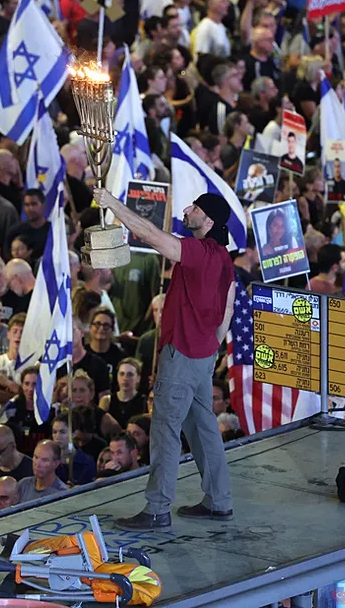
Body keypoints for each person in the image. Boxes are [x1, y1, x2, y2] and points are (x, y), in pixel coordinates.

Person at [93, 188, 235, 529]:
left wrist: (113, 204)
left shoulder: (199, 252)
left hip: (184, 353)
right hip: (202, 354)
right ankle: (218, 501)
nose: (187, 209)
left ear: (208, 220)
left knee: (165, 431)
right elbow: (228, 307)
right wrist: (212, 348)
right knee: (203, 428)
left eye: (195, 207)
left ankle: (157, 509)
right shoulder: (223, 256)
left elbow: (153, 236)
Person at [99, 358, 147, 430]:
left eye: (130, 374)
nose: (125, 378)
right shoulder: (107, 401)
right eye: (122, 374)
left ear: (138, 378)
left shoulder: (145, 401)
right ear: (117, 376)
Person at [51, 413, 96, 485]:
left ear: (74, 434)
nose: (57, 436)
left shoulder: (86, 463)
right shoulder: (49, 460)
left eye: (62, 432)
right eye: (54, 432)